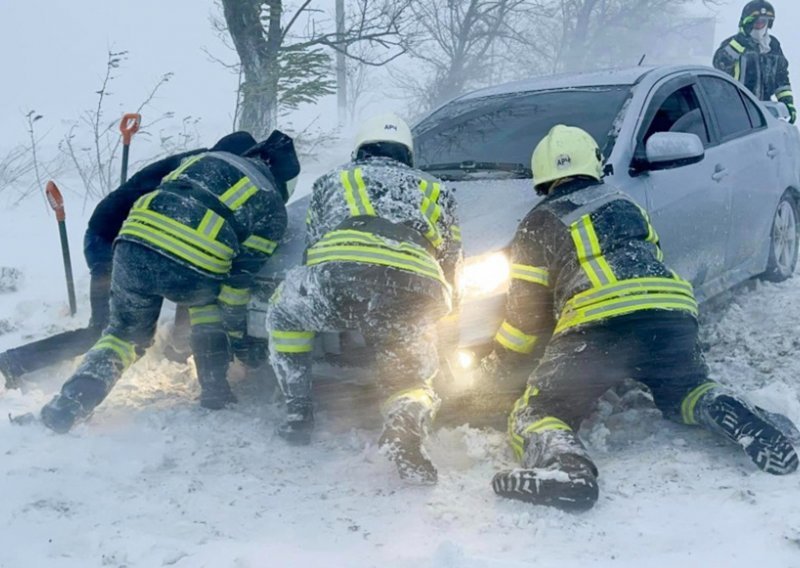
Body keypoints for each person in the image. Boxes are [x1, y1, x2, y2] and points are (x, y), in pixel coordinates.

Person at [481, 125, 798, 512]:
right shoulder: (625, 204)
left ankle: (567, 470)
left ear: (542, 175)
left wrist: (499, 364)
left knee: (540, 411)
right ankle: (731, 411)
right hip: (671, 314)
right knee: (685, 389)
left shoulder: (538, 222)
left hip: (597, 326)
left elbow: (525, 321)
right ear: (593, 164)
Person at [39, 130, 300, 433]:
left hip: (131, 247)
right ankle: (215, 391)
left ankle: (71, 402)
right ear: (283, 182)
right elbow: (236, 285)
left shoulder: (203, 160)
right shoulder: (271, 205)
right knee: (207, 305)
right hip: (192, 266)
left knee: (123, 335)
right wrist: (239, 341)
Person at [267, 113, 462, 484]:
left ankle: (298, 410)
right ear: (408, 154)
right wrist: (443, 323)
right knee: (411, 376)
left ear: (359, 149)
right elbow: (452, 264)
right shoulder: (438, 189)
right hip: (414, 287)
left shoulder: (334, 179)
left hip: (341, 276)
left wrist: (331, 298)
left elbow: (313, 248)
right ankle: (405, 421)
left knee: (285, 313)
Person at [0, 132, 257, 388]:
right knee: (104, 330)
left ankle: (178, 349)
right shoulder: (204, 173)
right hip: (111, 241)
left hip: (129, 238)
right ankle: (13, 362)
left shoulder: (201, 165)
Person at [713, 0, 795, 123]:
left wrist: (787, 103)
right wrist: (738, 44)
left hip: (763, 113)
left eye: (763, 23)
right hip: (734, 111)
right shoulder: (733, 44)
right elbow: (719, 64)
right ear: (747, 24)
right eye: (756, 23)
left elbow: (781, 78)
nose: (759, 26)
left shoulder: (773, 46)